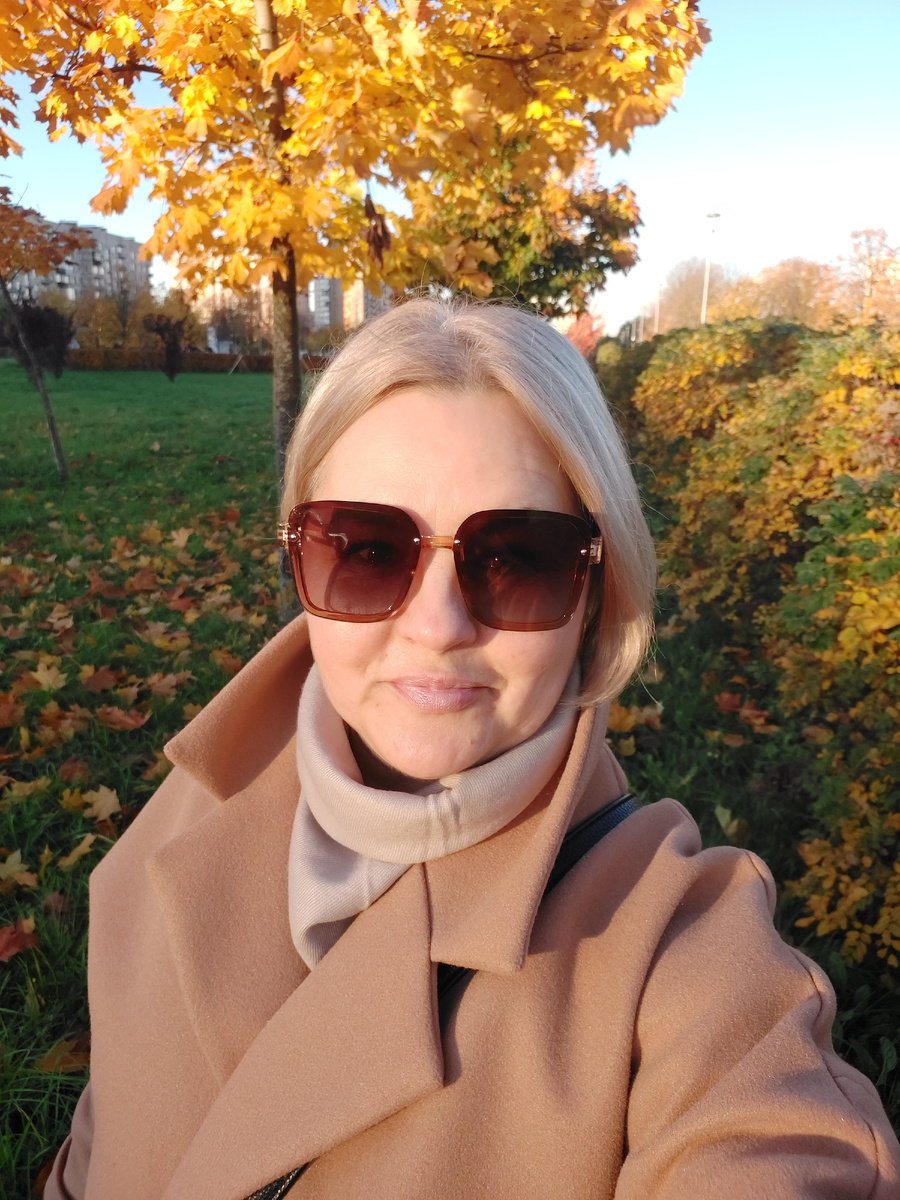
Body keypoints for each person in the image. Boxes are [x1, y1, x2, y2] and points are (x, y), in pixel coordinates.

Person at [47, 299, 899, 1200]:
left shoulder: (675, 946)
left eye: (516, 557)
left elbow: (771, 1137)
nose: (438, 626)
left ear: (597, 593)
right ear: (300, 556)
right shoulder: (187, 804)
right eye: (369, 549)